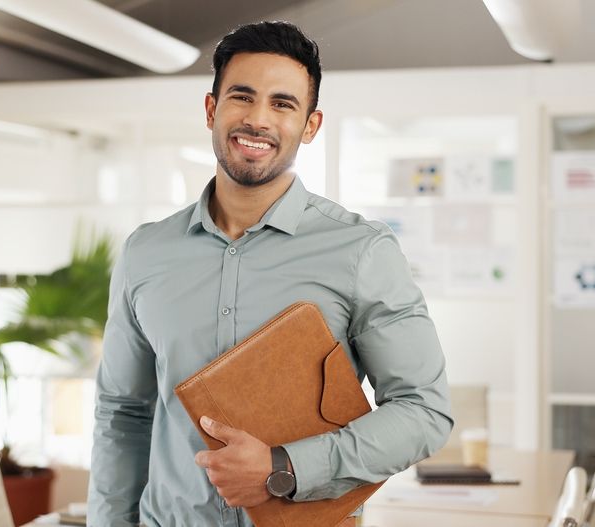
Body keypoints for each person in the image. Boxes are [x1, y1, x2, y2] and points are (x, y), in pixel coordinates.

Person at [88, 21, 452, 527]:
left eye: (283, 104)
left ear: (310, 125)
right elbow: (122, 413)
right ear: (212, 109)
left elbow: (423, 411)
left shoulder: (361, 250)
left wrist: (284, 468)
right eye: (242, 97)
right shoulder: (145, 253)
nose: (258, 119)